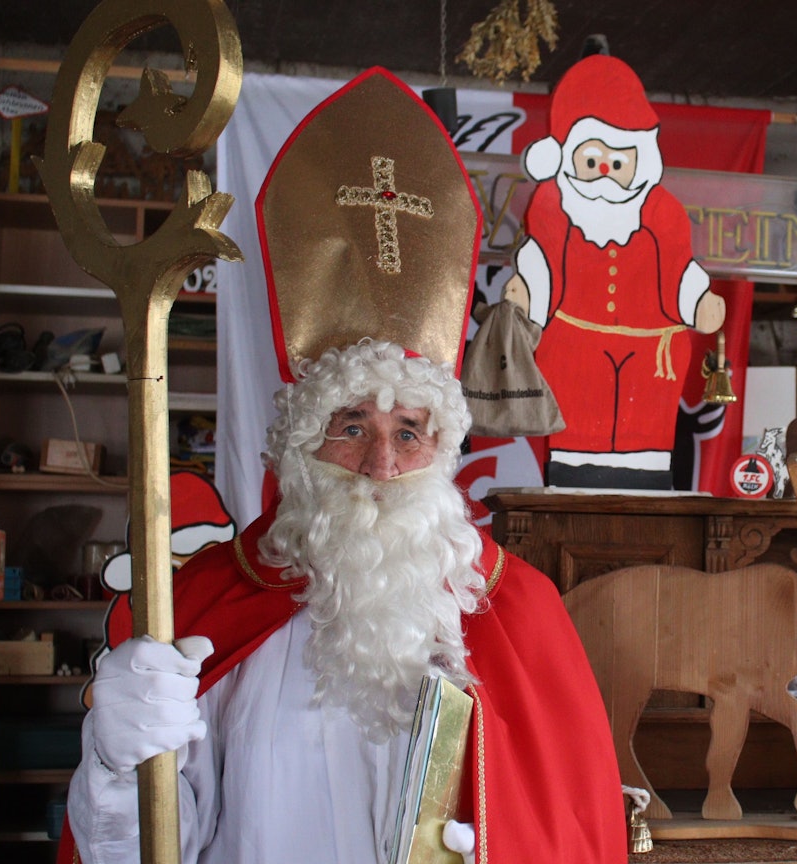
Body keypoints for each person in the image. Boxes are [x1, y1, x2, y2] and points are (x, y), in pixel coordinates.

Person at [62, 69, 627, 864]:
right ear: (298, 447)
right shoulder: (207, 608)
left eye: (410, 430)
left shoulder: (521, 611)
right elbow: (146, 853)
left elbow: (571, 832)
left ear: (443, 450)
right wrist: (118, 766)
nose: (382, 462)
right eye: (350, 424)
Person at [503, 54, 726, 490]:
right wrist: (530, 290)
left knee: (645, 427)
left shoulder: (663, 212)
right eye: (592, 161)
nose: (605, 174)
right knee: (578, 419)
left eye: (617, 163)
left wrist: (696, 299)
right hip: (575, 343)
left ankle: (645, 482)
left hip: (651, 352)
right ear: (567, 158)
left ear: (639, 159)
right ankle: (572, 475)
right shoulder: (553, 204)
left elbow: (679, 266)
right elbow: (542, 259)